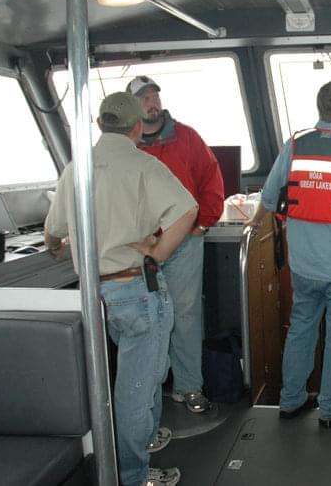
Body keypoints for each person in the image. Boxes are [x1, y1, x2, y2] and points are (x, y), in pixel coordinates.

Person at [44, 92, 198, 486]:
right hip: (135, 287)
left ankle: (145, 436)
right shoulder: (143, 165)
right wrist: (159, 252)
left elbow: (52, 233)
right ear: (135, 128)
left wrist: (64, 249)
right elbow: (188, 208)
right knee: (135, 387)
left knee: (144, 373)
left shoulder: (75, 168)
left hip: (96, 295)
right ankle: (133, 476)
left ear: (99, 124)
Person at [247, 81, 331, 428]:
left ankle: (291, 401)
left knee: (301, 328)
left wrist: (252, 225)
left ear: (319, 109)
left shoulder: (294, 145)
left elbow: (268, 197)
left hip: (304, 264)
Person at [127, 75, 225, 414]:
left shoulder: (187, 137)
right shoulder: (126, 145)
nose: (151, 102)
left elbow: (211, 179)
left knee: (185, 315)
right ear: (131, 106)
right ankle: (150, 398)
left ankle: (188, 387)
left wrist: (203, 222)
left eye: (154, 95)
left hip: (183, 240)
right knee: (145, 318)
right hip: (140, 244)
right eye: (143, 98)